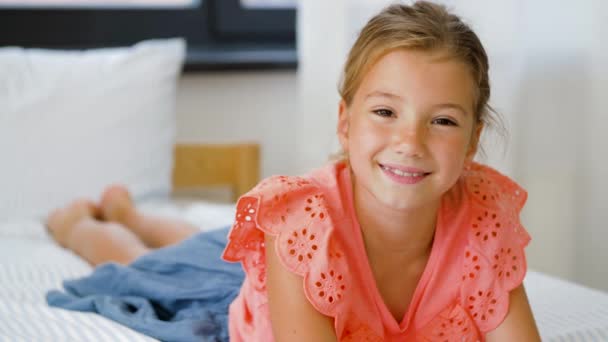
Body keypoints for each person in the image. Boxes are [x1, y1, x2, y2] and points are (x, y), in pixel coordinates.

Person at [46, 1, 541, 341]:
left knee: (205, 247)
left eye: (443, 121)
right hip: (266, 297)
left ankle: (127, 211)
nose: (409, 143)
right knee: (153, 269)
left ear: (473, 140)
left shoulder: (483, 218)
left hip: (276, 273)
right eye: (385, 112)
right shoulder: (302, 220)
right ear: (345, 124)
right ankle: (88, 223)